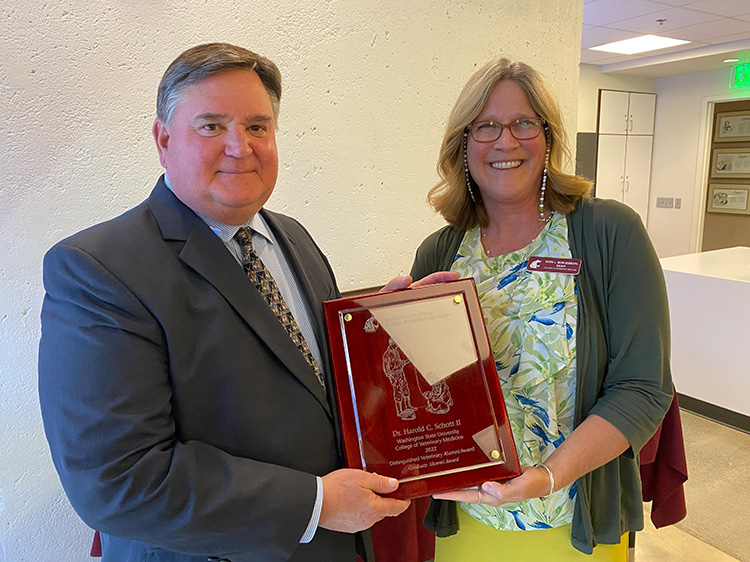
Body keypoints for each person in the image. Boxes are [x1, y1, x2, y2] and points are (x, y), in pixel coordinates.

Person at [38, 42, 448, 562]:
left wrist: (375, 333)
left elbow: (309, 378)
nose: (241, 146)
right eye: (211, 126)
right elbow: (119, 481)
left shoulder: (293, 238)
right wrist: (316, 504)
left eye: (258, 126)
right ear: (164, 140)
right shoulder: (98, 268)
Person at [408, 57, 673, 560]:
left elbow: (642, 387)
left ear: (548, 137)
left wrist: (549, 476)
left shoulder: (608, 234)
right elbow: (430, 395)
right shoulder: (439, 253)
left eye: (524, 122)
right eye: (485, 126)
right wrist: (389, 330)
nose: (505, 141)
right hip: (470, 517)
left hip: (576, 516)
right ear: (462, 145)